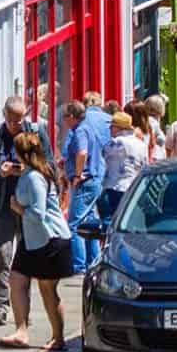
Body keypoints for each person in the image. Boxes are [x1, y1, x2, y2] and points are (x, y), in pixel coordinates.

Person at [2, 131, 72, 352]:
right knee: (17, 280)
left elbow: (39, 213)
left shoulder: (34, 177)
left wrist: (18, 208)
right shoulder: (33, 172)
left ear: (23, 153)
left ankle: (59, 338)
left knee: (47, 290)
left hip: (49, 239)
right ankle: (21, 331)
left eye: (16, 150)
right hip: (33, 239)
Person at [0, 97, 40, 326]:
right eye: (12, 118)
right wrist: (0, 173)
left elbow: (48, 166)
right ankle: (0, 308)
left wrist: (25, 170)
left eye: (20, 118)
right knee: (3, 257)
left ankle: (23, 311)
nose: (17, 123)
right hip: (3, 204)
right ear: (4, 114)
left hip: (28, 206)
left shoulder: (34, 134)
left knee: (26, 260)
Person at [57, 99, 109, 272]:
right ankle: (93, 262)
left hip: (85, 181)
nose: (63, 120)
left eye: (65, 117)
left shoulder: (80, 130)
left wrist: (77, 175)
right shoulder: (85, 128)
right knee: (88, 224)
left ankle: (78, 265)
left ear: (72, 116)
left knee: (74, 225)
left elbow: (82, 152)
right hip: (92, 180)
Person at [98, 108, 146, 221]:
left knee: (108, 221)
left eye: (112, 126)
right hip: (133, 188)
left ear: (118, 127)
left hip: (115, 186)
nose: (110, 129)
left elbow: (103, 153)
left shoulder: (116, 142)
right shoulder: (141, 144)